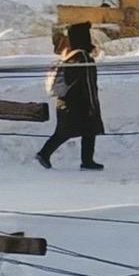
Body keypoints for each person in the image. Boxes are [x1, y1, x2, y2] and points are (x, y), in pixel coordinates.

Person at [37, 21, 104, 169]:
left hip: (65, 101)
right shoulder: (83, 58)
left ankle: (46, 154)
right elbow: (88, 84)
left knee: (70, 131)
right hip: (80, 103)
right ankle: (85, 161)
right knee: (87, 129)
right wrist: (93, 104)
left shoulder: (68, 56)